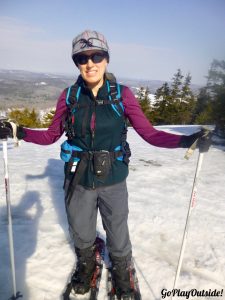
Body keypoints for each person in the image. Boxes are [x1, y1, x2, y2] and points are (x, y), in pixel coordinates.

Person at [0, 30, 211, 299]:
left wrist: (187, 141)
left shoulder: (122, 95)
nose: (90, 63)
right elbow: (51, 135)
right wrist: (20, 131)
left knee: (117, 229)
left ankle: (122, 269)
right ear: (76, 63)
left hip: (113, 176)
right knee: (81, 230)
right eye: (82, 58)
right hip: (78, 178)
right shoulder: (70, 96)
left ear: (106, 59)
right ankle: (86, 262)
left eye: (96, 55)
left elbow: (149, 133)